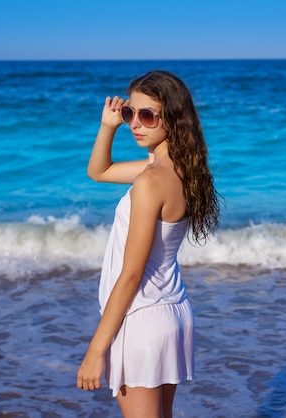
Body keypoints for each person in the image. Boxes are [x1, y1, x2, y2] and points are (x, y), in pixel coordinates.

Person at [76, 70, 221, 417]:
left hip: (141, 319)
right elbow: (99, 172)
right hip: (171, 312)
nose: (134, 124)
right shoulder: (181, 170)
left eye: (147, 115)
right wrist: (108, 126)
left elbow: (131, 274)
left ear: (172, 117)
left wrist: (97, 348)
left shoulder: (151, 180)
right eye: (130, 113)